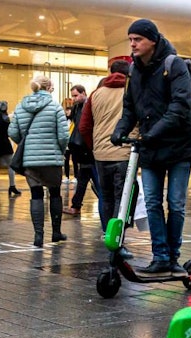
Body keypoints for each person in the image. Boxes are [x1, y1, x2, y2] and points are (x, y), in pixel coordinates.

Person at [112, 18, 191, 275]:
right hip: (150, 147)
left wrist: (153, 133)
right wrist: (119, 130)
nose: (132, 44)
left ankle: (173, 256)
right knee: (151, 202)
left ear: (152, 40)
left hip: (179, 146)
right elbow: (130, 107)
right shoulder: (134, 71)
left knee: (176, 203)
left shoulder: (175, 65)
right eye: (130, 40)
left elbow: (180, 106)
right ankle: (160, 256)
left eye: (137, 39)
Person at [9, 75, 69, 247]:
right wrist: (60, 149)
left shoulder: (21, 107)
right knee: (55, 193)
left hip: (30, 160)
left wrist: (26, 143)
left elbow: (12, 132)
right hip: (52, 159)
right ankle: (56, 232)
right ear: (49, 87)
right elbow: (64, 135)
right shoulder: (55, 107)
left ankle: (38, 236)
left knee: (36, 195)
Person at [78, 55, 132, 232]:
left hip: (101, 154)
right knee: (121, 197)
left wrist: (95, 146)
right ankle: (116, 238)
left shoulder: (96, 94)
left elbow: (84, 127)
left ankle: (107, 233)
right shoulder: (132, 90)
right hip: (125, 152)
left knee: (106, 196)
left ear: (110, 72)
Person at [67, 84, 100, 216]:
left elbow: (85, 127)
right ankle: (76, 205)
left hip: (88, 148)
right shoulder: (77, 107)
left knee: (90, 177)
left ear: (83, 93)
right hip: (83, 149)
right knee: (84, 177)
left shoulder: (89, 105)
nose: (73, 98)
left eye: (75, 95)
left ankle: (77, 205)